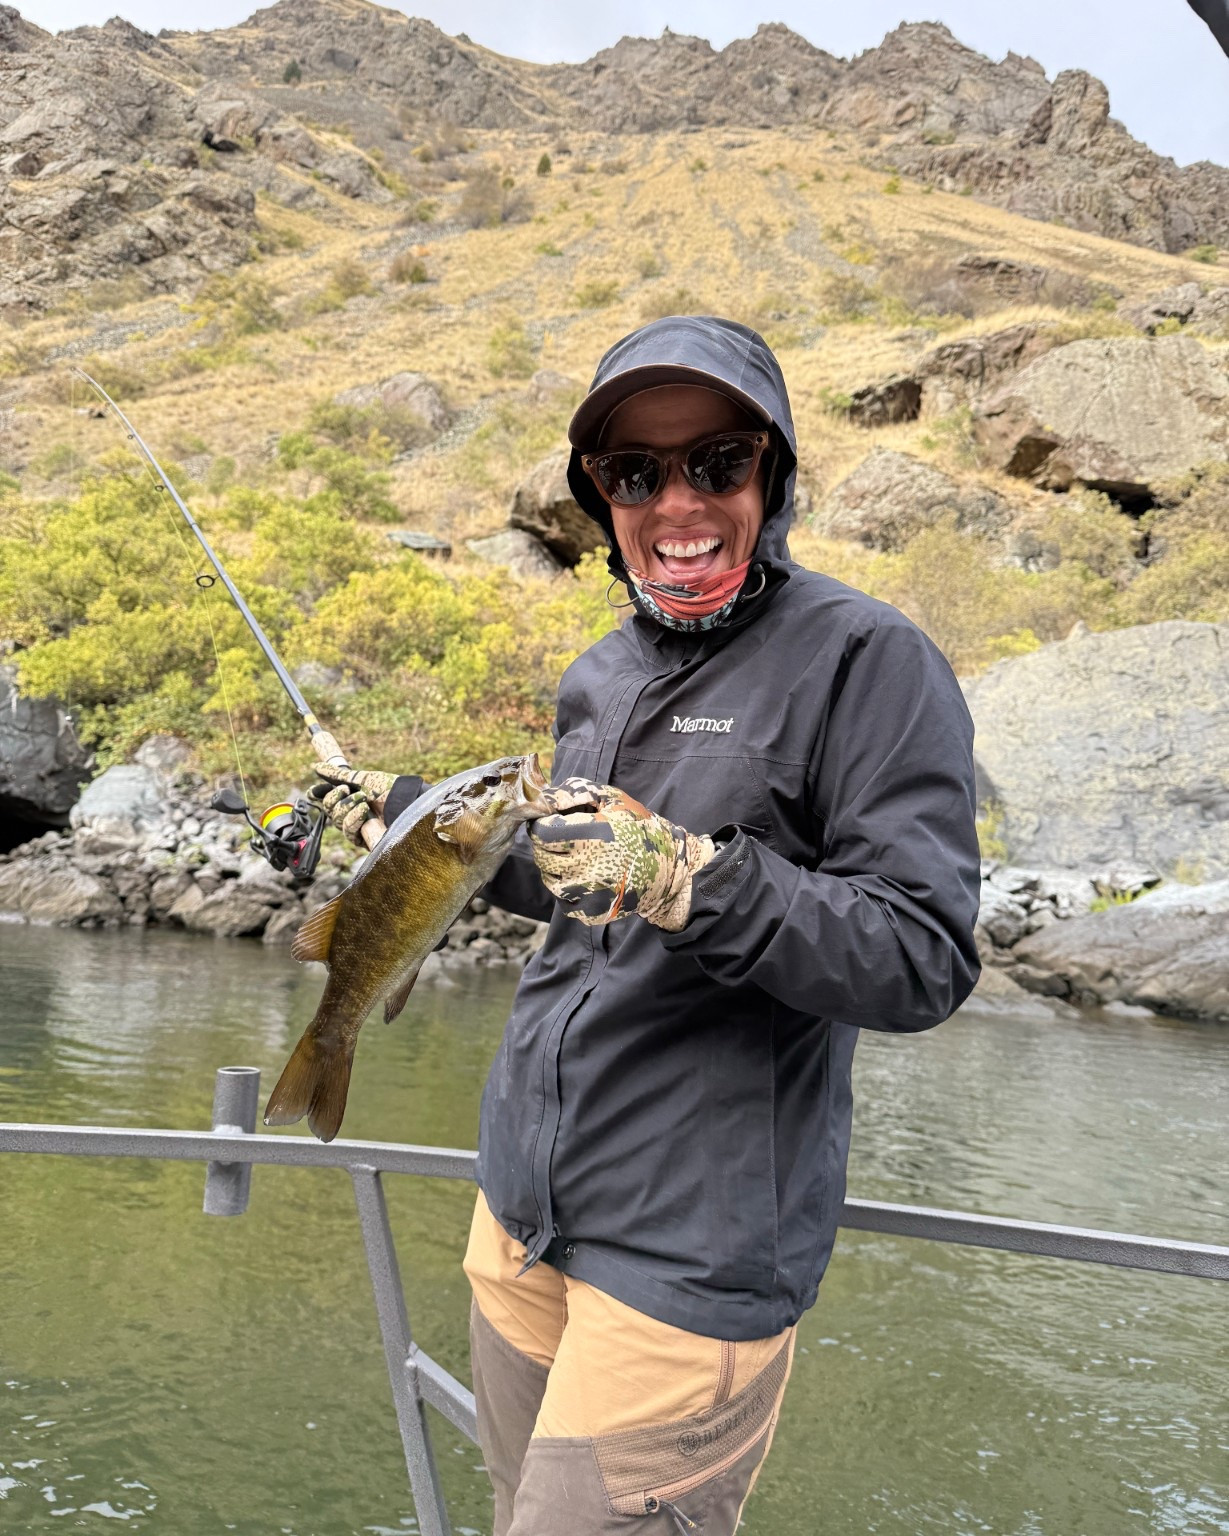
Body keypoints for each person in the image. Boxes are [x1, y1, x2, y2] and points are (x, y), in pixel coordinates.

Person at [313, 315, 982, 1535]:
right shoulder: (602, 672)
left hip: (687, 1265)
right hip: (518, 1225)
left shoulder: (868, 662)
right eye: (634, 473)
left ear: (769, 475)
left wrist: (692, 875)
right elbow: (577, 885)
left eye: (715, 462)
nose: (676, 501)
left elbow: (919, 956)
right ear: (600, 498)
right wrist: (412, 823)